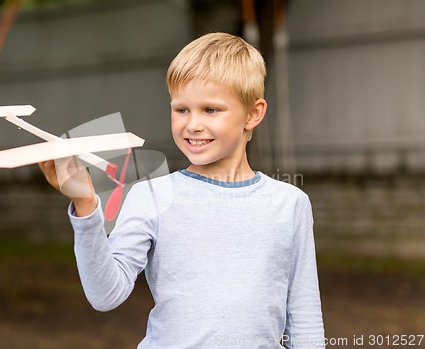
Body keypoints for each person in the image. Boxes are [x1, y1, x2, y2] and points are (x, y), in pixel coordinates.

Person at [39, 32, 325, 348]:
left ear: (253, 114)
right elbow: (105, 295)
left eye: (211, 110)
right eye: (182, 109)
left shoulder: (291, 203)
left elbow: (304, 315)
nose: (192, 125)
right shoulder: (151, 195)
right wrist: (85, 205)